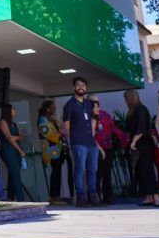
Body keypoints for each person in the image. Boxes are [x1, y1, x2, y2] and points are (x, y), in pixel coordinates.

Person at [62, 77, 100, 206]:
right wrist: (70, 140)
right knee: (79, 169)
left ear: (86, 88)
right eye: (78, 85)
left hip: (91, 142)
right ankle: (80, 198)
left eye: (83, 85)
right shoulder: (69, 105)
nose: (81, 87)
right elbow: (66, 124)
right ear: (74, 87)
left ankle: (93, 196)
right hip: (78, 143)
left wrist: (94, 133)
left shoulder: (89, 104)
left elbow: (93, 120)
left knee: (92, 170)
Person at [124, 89, 159, 207]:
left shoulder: (140, 109)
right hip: (138, 144)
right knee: (140, 171)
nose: (125, 101)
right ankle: (148, 197)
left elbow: (141, 128)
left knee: (147, 170)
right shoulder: (133, 111)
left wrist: (133, 143)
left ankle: (156, 197)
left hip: (143, 144)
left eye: (126, 99)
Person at [90, 95, 128, 205]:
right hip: (96, 149)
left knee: (107, 173)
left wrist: (123, 136)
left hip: (108, 147)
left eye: (97, 101)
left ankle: (108, 197)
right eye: (93, 101)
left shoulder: (105, 114)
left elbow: (113, 128)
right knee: (97, 174)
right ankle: (96, 198)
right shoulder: (87, 117)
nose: (96, 103)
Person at [38, 100, 72, 205]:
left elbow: (61, 130)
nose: (54, 109)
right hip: (51, 150)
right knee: (55, 173)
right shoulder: (42, 119)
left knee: (57, 172)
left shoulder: (52, 119)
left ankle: (57, 196)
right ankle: (53, 197)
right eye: (52, 107)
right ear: (47, 108)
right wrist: (59, 135)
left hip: (59, 149)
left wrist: (60, 132)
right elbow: (47, 133)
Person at [0, 103, 25, 201]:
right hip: (8, 150)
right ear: (8, 111)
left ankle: (10, 197)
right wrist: (19, 148)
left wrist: (18, 142)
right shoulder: (2, 122)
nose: (15, 111)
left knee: (13, 173)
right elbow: (9, 137)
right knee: (15, 174)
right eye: (13, 109)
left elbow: (15, 137)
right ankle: (21, 199)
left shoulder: (13, 123)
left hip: (15, 150)